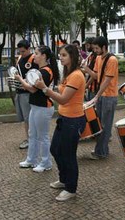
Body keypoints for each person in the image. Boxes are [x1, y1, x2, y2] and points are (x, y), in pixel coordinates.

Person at [35, 44, 86, 202]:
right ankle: (64, 179)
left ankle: (71, 188)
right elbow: (61, 94)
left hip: (74, 120)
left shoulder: (76, 75)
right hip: (64, 118)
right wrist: (53, 89)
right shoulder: (68, 74)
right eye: (60, 55)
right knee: (55, 149)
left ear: (72, 56)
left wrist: (45, 89)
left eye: (64, 55)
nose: (60, 58)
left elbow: (63, 99)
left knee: (68, 155)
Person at [15, 46, 59, 173]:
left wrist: (20, 80)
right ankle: (31, 160)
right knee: (32, 134)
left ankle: (46, 162)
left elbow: (33, 89)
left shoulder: (45, 71)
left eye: (37, 53)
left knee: (42, 136)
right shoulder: (41, 70)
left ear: (44, 56)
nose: (34, 56)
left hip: (43, 107)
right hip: (36, 106)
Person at [83, 36, 118, 159]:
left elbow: (107, 80)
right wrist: (86, 82)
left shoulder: (112, 60)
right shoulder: (98, 58)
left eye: (97, 48)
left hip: (109, 96)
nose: (95, 50)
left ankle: (101, 152)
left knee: (105, 125)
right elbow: (96, 76)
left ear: (104, 47)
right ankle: (102, 150)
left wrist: (96, 96)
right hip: (101, 94)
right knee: (99, 124)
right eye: (94, 48)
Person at [14, 40, 39, 149]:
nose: (21, 53)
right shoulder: (20, 58)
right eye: (20, 51)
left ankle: (32, 139)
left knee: (29, 118)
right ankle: (29, 138)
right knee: (25, 118)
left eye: (23, 51)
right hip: (19, 91)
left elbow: (35, 77)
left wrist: (24, 81)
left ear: (29, 49)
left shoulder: (34, 59)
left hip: (27, 92)